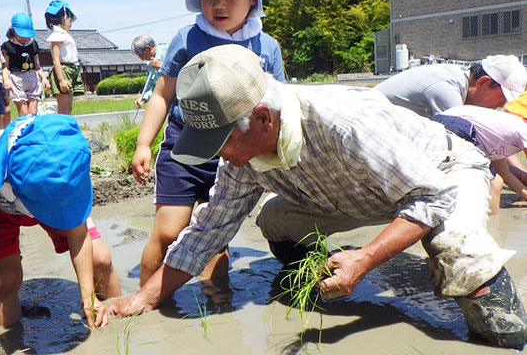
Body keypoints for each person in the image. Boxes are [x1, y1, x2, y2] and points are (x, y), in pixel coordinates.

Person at [108, 45, 527, 350]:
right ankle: (316, 280)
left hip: (442, 173)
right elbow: (208, 230)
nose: (218, 155)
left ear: (262, 117)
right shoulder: (242, 158)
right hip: (359, 192)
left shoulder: (346, 123)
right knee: (273, 219)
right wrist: (142, 299)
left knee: (459, 249)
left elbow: (429, 198)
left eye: (220, 142)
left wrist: (366, 258)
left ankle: (505, 336)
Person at [131, 0, 286, 287]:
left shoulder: (266, 47)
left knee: (215, 237)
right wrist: (144, 143)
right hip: (183, 147)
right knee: (170, 231)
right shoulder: (188, 39)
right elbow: (162, 95)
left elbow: (280, 108)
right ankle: (144, 311)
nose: (219, 4)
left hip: (235, 155)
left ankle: (217, 308)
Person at [0, 114, 122, 328]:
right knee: (6, 278)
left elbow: (78, 234)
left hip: (51, 199)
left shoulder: (66, 167)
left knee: (100, 259)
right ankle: (8, 337)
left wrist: (88, 296)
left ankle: (120, 322)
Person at [434, 105, 527, 214]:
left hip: (447, 120)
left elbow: (505, 175)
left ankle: (491, 221)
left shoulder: (497, 138)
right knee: (494, 182)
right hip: (456, 122)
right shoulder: (522, 129)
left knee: (495, 180)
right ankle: (492, 223)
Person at [374, 55, 526, 118]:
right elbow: (465, 140)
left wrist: (515, 174)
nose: (500, 105)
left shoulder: (459, 78)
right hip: (366, 124)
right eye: (502, 97)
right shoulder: (447, 87)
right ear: (483, 83)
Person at [1, 13, 50, 117]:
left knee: (33, 113)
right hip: (17, 79)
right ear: (13, 31)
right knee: (24, 113)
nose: (24, 37)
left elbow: (37, 65)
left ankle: (33, 132)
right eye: (21, 34)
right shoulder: (8, 46)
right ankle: (24, 131)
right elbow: (6, 66)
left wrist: (44, 78)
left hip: (32, 78)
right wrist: (6, 80)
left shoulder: (33, 44)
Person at [45, 0, 84, 115]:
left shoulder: (64, 34)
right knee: (63, 109)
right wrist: (61, 79)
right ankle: (62, 130)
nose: (71, 23)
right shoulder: (56, 35)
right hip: (63, 70)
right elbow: (56, 59)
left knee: (68, 108)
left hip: (71, 68)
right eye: (70, 20)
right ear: (65, 17)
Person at [130, 35, 168, 108]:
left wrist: (162, 66)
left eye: (141, 56)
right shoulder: (149, 64)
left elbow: (181, 72)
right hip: (165, 102)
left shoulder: (169, 50)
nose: (142, 59)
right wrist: (143, 98)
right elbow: (151, 85)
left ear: (148, 48)